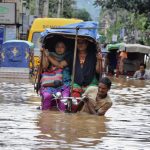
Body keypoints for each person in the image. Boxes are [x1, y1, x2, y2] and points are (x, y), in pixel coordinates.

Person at [40, 41, 71, 110]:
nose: (59, 49)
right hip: (50, 84)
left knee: (63, 100)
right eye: (57, 47)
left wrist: (48, 56)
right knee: (47, 96)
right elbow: (44, 66)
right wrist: (44, 55)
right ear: (55, 48)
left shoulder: (69, 56)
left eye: (62, 47)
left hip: (64, 84)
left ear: (65, 48)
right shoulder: (50, 54)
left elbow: (60, 65)